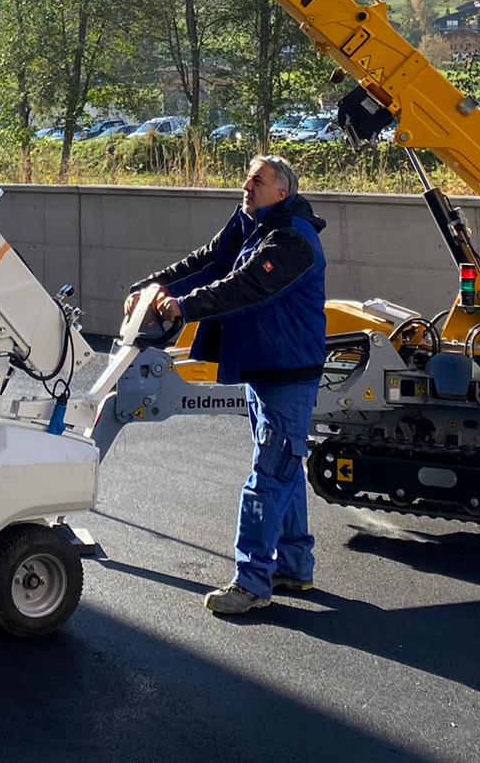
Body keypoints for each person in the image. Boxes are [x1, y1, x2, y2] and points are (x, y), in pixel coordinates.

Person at [126, 154, 327, 615]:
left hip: (286, 374)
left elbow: (244, 286)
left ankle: (252, 582)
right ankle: (294, 566)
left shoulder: (293, 240)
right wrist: (150, 287)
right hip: (265, 368)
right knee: (284, 468)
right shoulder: (251, 221)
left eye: (257, 180)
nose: (247, 185)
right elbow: (208, 261)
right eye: (247, 178)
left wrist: (181, 308)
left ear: (283, 192)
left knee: (267, 477)